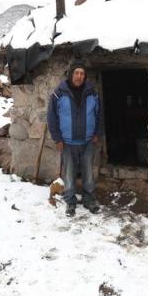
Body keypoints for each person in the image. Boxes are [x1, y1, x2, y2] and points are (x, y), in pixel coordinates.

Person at [46, 61, 103, 217]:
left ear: (85, 76)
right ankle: (70, 201)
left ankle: (89, 199)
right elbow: (51, 117)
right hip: (67, 142)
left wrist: (97, 133)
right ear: (71, 74)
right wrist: (57, 138)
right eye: (76, 73)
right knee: (69, 174)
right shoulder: (59, 93)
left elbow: (99, 114)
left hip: (87, 140)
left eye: (82, 73)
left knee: (88, 173)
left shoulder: (92, 93)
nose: (79, 76)